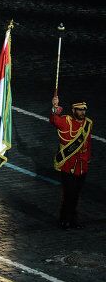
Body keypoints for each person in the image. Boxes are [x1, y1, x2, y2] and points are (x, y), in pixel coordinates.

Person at [50, 96, 93, 229]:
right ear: (73, 110)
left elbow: (88, 144)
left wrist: (87, 161)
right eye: (79, 110)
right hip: (68, 166)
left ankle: (73, 219)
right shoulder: (66, 121)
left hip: (82, 166)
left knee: (76, 195)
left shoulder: (88, 124)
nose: (82, 112)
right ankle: (64, 220)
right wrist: (55, 108)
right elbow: (54, 120)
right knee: (69, 195)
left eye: (84, 110)